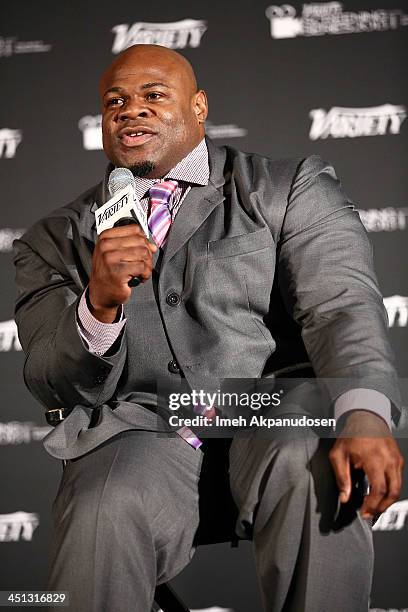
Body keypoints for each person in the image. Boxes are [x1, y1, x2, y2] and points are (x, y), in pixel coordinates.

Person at [13, 44, 404, 612]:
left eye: (153, 96)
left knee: (312, 456)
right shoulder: (54, 238)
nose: (131, 110)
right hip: (142, 424)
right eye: (115, 101)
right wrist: (97, 306)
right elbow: (51, 379)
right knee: (103, 507)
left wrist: (365, 413)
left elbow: (340, 307)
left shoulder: (284, 186)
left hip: (269, 411)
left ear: (199, 107)